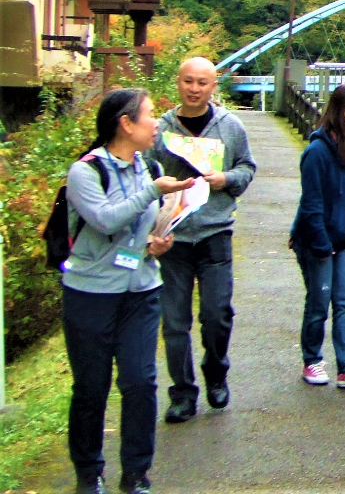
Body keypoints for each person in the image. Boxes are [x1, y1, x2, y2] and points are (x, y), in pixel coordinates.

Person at [62, 88, 195, 494]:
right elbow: (104, 220)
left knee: (140, 381)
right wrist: (155, 191)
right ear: (126, 123)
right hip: (90, 294)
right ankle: (89, 471)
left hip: (141, 289)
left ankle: (136, 472)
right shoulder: (85, 172)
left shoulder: (146, 166)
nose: (157, 122)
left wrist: (159, 238)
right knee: (91, 386)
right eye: (150, 115)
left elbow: (143, 225)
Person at [150, 56, 256, 423]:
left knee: (217, 314)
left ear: (214, 87)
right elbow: (144, 174)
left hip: (214, 232)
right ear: (177, 83)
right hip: (172, 237)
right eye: (188, 82)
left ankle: (216, 371)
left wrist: (225, 179)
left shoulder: (230, 127)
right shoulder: (160, 129)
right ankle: (181, 393)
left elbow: (247, 168)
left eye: (202, 83)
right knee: (174, 321)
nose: (194, 89)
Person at [289, 84, 345, 389]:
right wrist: (322, 246)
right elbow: (311, 205)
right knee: (318, 302)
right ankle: (312, 360)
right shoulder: (316, 153)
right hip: (317, 241)